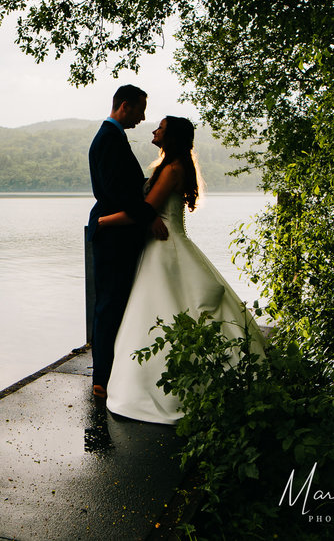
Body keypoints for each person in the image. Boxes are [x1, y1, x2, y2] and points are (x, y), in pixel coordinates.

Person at [99, 116, 265, 424]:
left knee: (164, 311)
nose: (154, 130)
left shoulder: (173, 169)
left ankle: (167, 388)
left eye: (160, 127)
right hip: (163, 246)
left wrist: (101, 222)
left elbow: (146, 210)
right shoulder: (171, 166)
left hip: (166, 248)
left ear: (171, 136)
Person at [87, 85, 168, 400]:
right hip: (113, 236)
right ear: (125, 106)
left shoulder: (112, 137)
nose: (143, 117)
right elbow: (115, 192)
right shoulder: (108, 139)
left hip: (119, 234)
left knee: (117, 303)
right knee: (109, 304)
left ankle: (110, 373)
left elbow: (126, 186)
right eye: (140, 109)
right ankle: (101, 379)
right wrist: (148, 215)